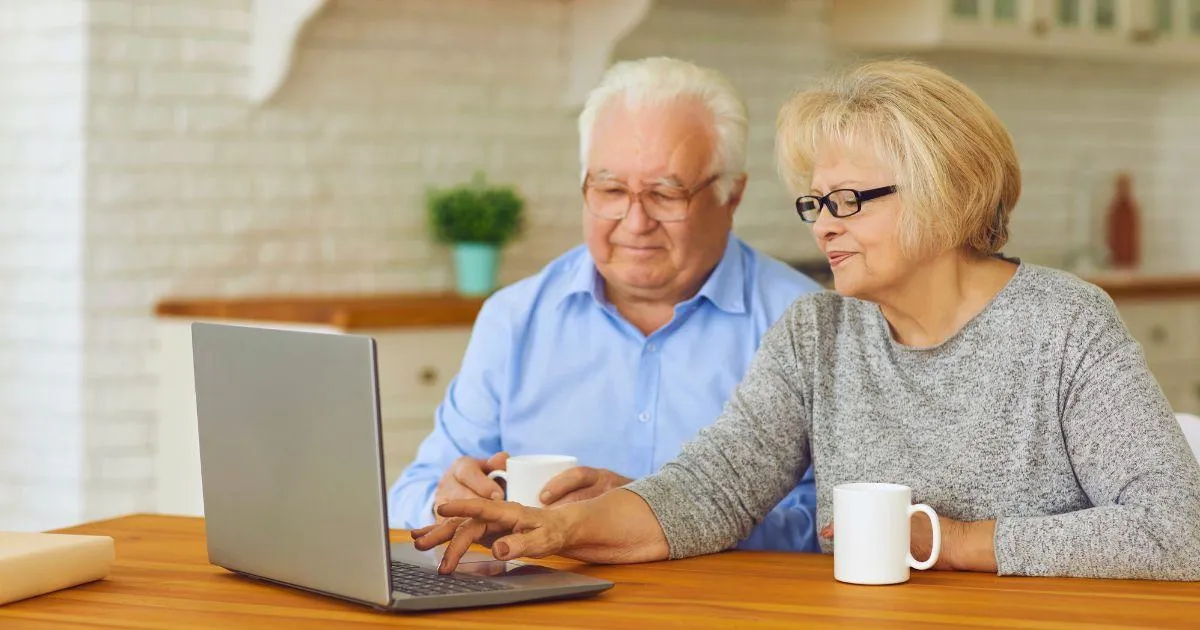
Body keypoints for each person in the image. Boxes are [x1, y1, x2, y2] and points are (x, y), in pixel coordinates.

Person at [412, 59, 1200, 581]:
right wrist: (558, 529)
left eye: (850, 201)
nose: (824, 225)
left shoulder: (1063, 324)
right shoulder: (817, 332)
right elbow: (712, 488)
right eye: (816, 203)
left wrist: (951, 541)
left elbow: (1177, 528)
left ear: (946, 193)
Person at [387, 57, 824, 552]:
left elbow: (832, 527)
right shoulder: (514, 319)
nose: (634, 222)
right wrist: (448, 500)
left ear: (732, 196)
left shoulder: (805, 326)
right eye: (611, 189)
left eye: (666, 193)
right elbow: (407, 496)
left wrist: (652, 517)